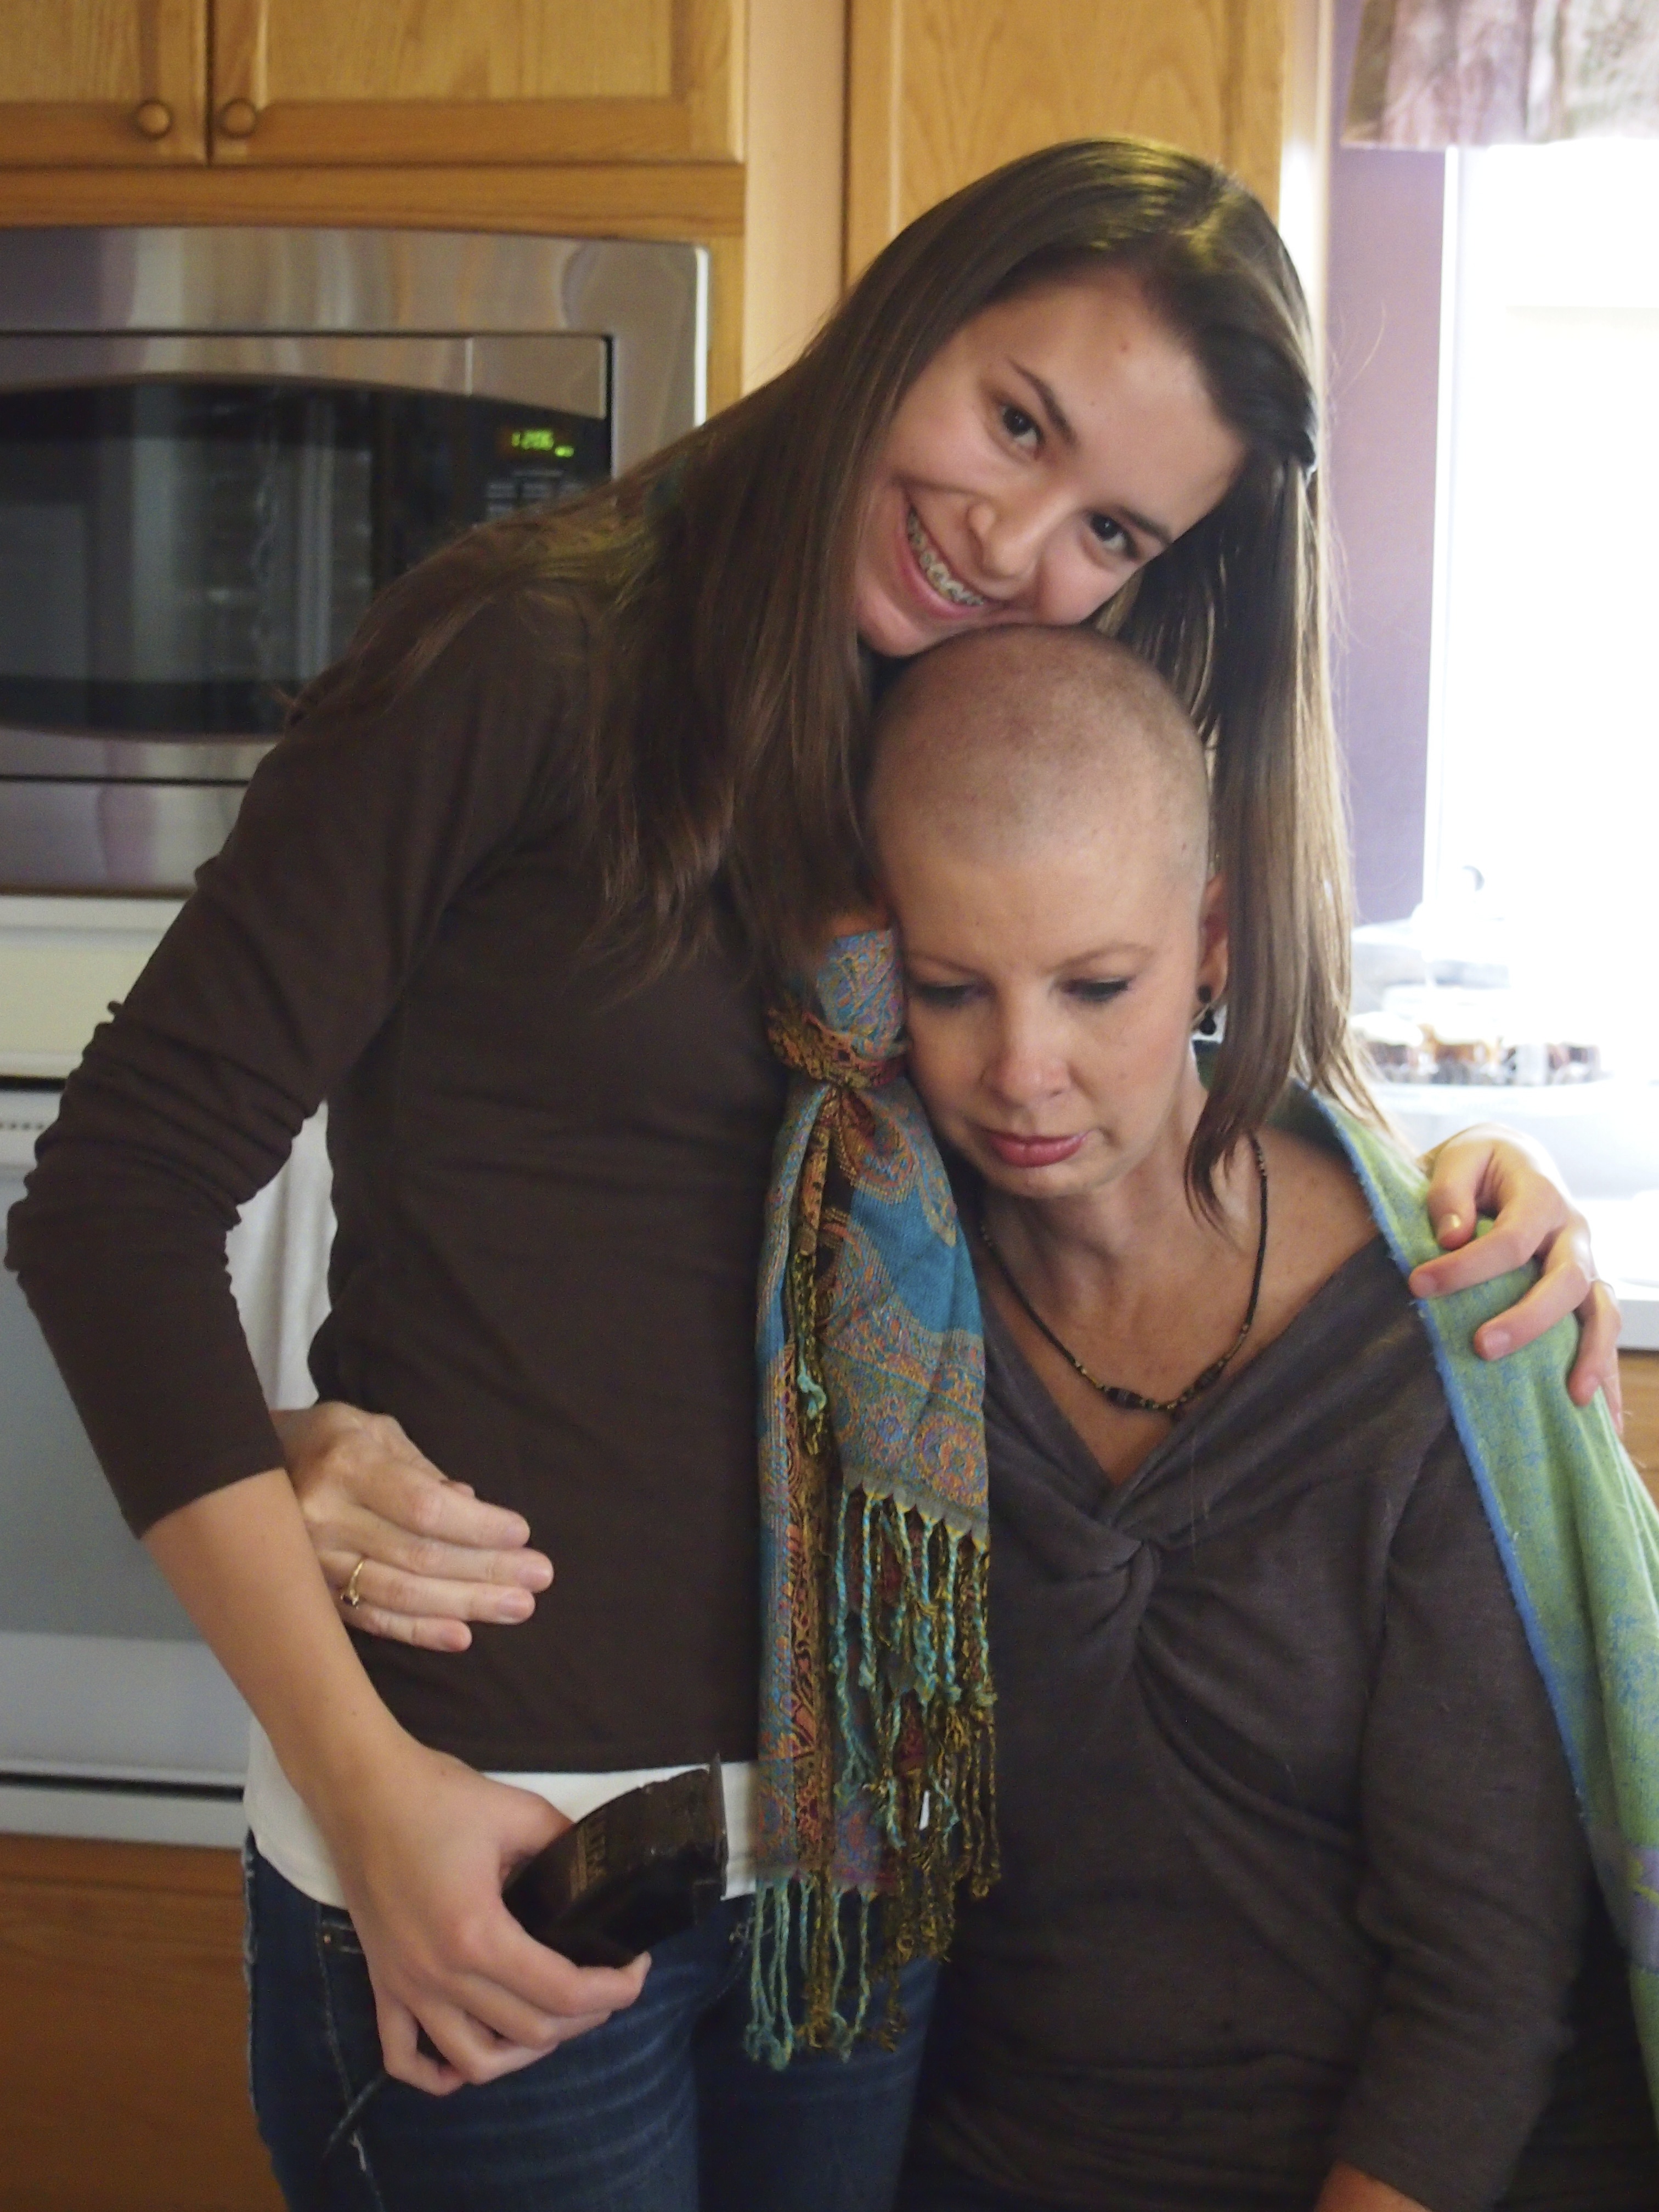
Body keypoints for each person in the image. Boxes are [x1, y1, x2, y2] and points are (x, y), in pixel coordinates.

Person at [3, 141, 1618, 2212]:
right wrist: (366, 1782)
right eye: (1015, 420)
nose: (1010, 539)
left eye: (1110, 527)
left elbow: (1104, 1058)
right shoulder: (526, 656)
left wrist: (1446, 1179)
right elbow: (114, 1200)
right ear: (912, 307)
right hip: (498, 1839)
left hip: (855, 1872)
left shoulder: (948, 723)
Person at [846, 624, 1657, 2212]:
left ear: (1211, 941)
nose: (1024, 1071)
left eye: (1098, 986)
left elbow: (1484, 1984)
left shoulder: (1436, 1335)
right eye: (949, 990)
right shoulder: (865, 1315)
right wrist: (335, 1448)